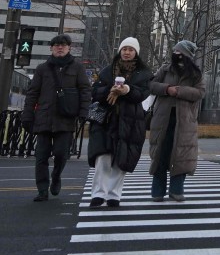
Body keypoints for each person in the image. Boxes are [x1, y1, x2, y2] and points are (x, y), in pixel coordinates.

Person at [22, 34, 91, 202]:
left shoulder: (77, 68)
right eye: (56, 45)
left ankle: (56, 176)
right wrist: (27, 114)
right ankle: (42, 190)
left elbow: (85, 91)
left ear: (69, 48)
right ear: (51, 48)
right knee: (41, 156)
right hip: (44, 117)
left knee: (61, 154)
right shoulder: (42, 69)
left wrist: (84, 112)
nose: (60, 47)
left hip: (66, 118)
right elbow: (32, 93)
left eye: (63, 45)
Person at [88, 37, 153, 208]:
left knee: (121, 159)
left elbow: (143, 94)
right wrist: (109, 90)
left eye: (131, 50)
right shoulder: (107, 71)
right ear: (120, 51)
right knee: (102, 157)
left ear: (136, 53)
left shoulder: (144, 73)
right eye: (124, 49)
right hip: (106, 121)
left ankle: (113, 195)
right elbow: (95, 91)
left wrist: (127, 90)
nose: (127, 52)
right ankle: (98, 194)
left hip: (130, 121)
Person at [148, 40, 206, 202]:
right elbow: (151, 85)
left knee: (181, 155)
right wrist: (167, 89)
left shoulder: (195, 74)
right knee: (160, 155)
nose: (176, 54)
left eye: (179, 52)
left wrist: (179, 91)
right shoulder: (165, 69)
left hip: (185, 121)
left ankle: (176, 190)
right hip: (163, 119)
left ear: (187, 55)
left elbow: (200, 93)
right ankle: (157, 192)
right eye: (175, 51)